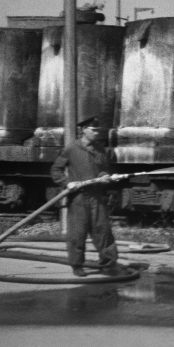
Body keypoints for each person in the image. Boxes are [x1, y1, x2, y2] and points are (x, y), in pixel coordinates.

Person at [50, 115, 123, 277]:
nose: (97, 133)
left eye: (98, 130)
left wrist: (106, 176)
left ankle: (109, 264)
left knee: (103, 231)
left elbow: (103, 169)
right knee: (77, 233)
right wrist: (66, 182)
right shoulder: (72, 148)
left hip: (96, 197)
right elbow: (55, 170)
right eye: (93, 130)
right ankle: (77, 266)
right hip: (78, 198)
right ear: (84, 130)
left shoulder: (100, 149)